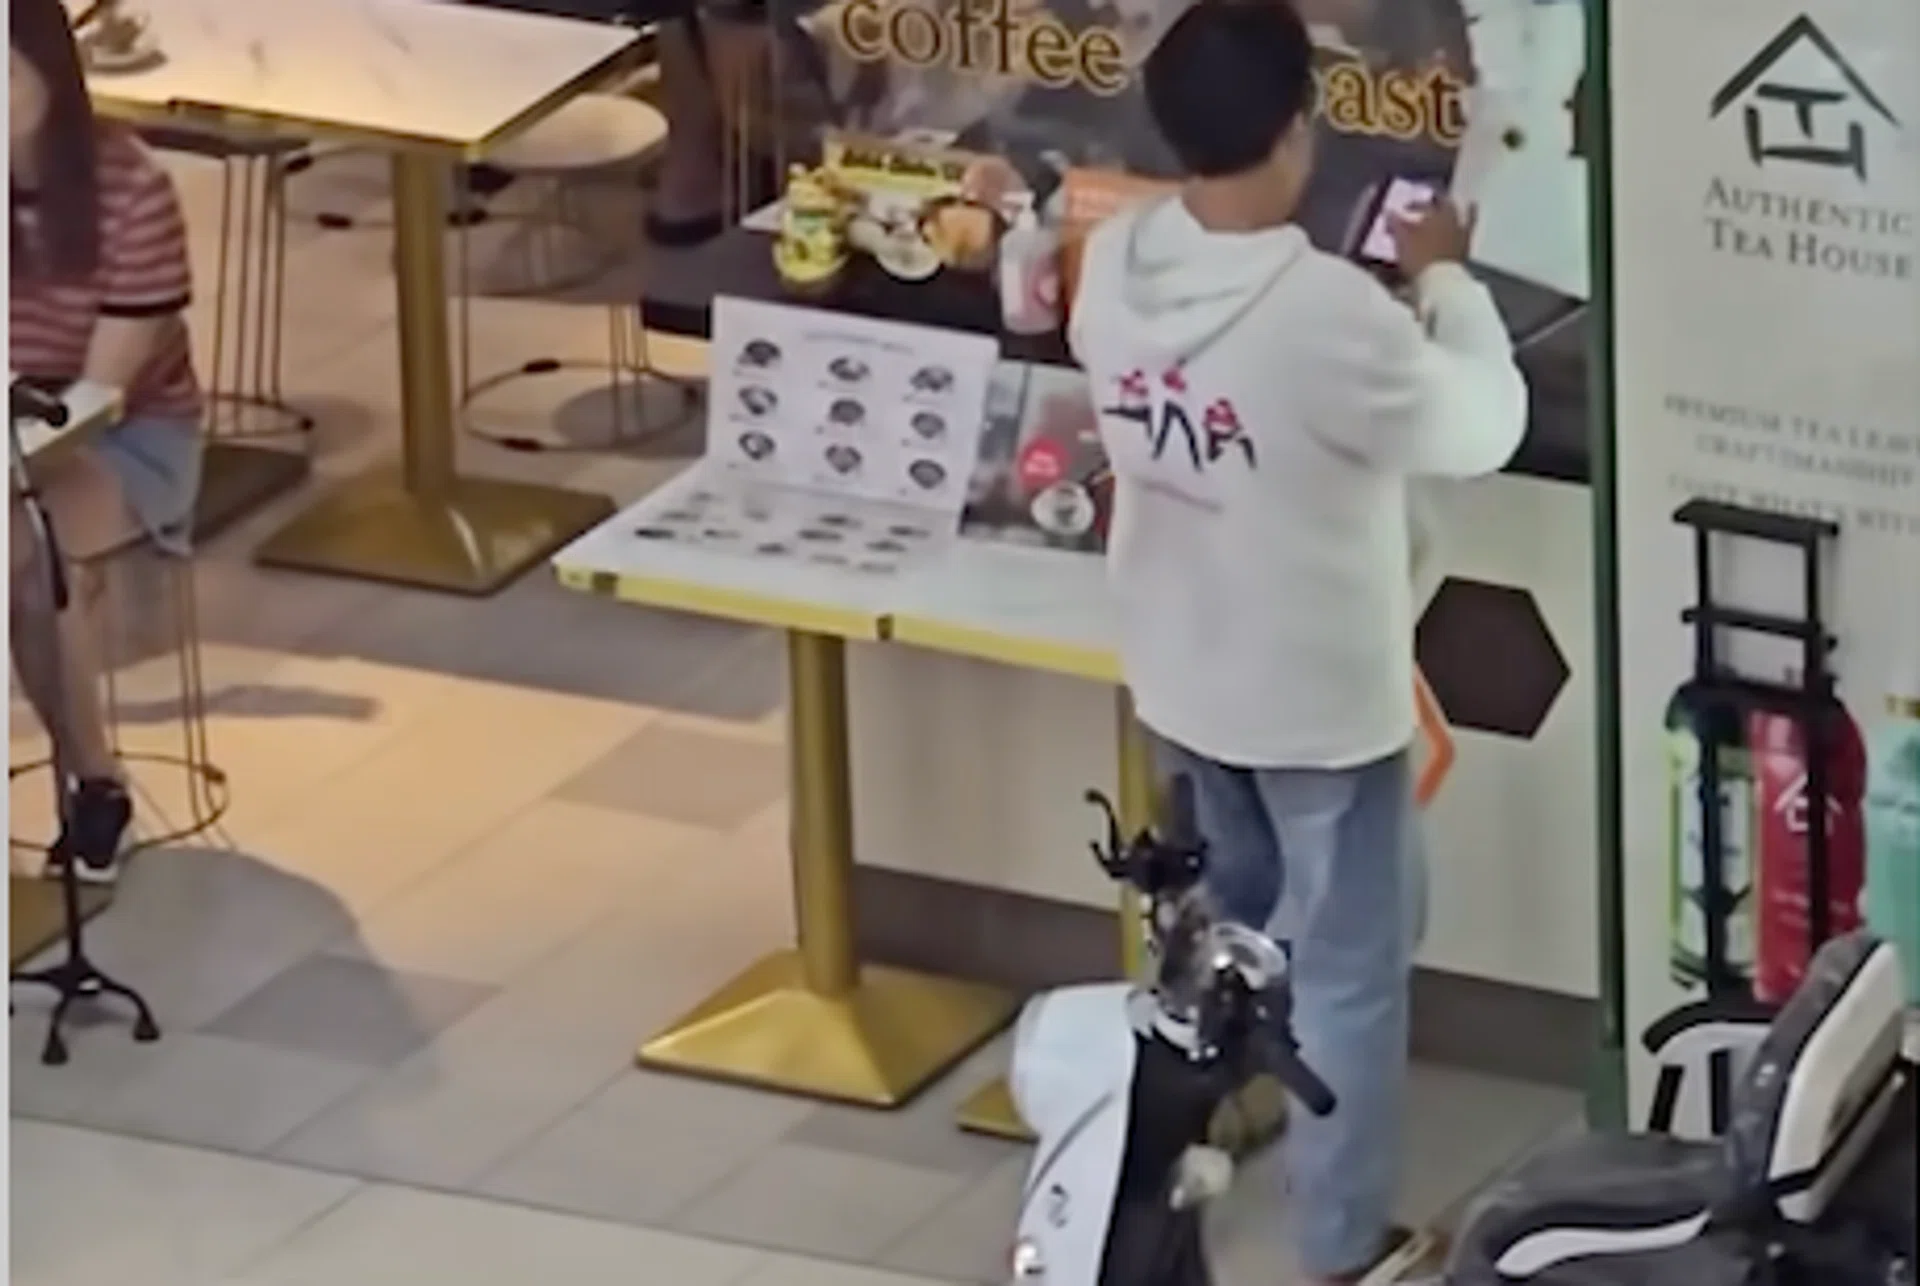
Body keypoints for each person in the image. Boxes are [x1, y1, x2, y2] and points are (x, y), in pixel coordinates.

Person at [1066, 1, 1526, 1282]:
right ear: (1296, 134)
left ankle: (1172, 1185)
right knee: (1353, 973)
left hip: (1186, 668)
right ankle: (1342, 1243)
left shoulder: (1116, 266)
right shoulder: (1327, 312)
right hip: (1321, 697)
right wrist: (1444, 278)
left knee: (1226, 939)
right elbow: (1480, 424)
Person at [10, 0, 204, 882]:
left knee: (29, 545)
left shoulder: (129, 187)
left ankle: (95, 783)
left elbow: (101, 399)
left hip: (113, 436)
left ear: (47, 73)